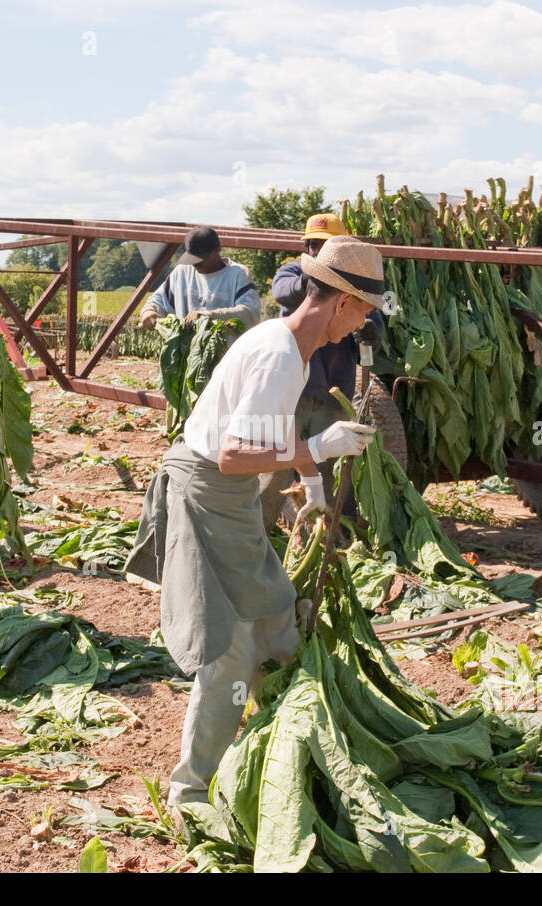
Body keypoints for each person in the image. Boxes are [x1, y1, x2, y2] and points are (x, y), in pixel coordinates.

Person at [125, 235, 384, 807]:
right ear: (341, 300)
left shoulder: (295, 344)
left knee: (276, 622)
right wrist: (320, 444)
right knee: (230, 649)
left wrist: (312, 480)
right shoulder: (278, 354)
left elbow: (266, 433)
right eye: (365, 309)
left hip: (233, 497)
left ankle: (286, 744)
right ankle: (190, 790)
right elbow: (233, 456)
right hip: (207, 491)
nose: (366, 322)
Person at [259, 213, 384, 529]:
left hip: (332, 392)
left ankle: (328, 535)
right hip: (295, 391)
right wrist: (319, 277)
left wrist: (371, 333)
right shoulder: (294, 272)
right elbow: (283, 291)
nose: (317, 251)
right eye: (313, 245)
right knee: (275, 464)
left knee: (327, 468)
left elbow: (370, 334)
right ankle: (257, 530)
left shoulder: (355, 288)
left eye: (325, 246)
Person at [137, 226, 260, 331]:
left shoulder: (237, 274)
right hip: (187, 353)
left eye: (201, 258)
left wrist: (211, 316)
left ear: (217, 249)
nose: (195, 263)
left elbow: (250, 313)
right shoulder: (182, 272)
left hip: (228, 354)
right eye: (192, 258)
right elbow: (158, 300)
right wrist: (149, 311)